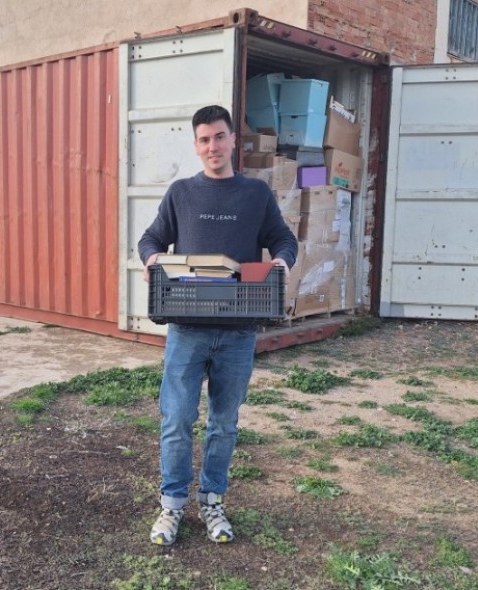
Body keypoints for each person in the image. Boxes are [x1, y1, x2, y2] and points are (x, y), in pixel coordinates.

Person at [138, 105, 298, 545]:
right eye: (205, 139)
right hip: (187, 328)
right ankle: (171, 507)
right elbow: (151, 238)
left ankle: (212, 501)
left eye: (220, 137)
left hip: (237, 331)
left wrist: (282, 261)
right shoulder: (181, 193)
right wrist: (152, 259)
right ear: (196, 145)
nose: (213, 146)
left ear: (233, 142)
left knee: (224, 423)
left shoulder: (255, 195)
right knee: (176, 419)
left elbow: (283, 239)